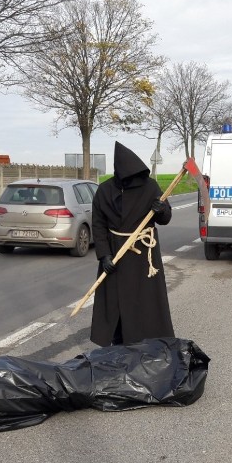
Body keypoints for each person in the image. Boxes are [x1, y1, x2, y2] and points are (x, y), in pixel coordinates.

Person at [90, 142, 174, 347]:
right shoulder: (105, 190)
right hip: (115, 251)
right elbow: (98, 224)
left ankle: (150, 342)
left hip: (142, 256)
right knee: (115, 302)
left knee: (144, 301)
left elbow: (165, 218)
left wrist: (161, 209)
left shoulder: (150, 187)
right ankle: (117, 340)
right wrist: (104, 255)